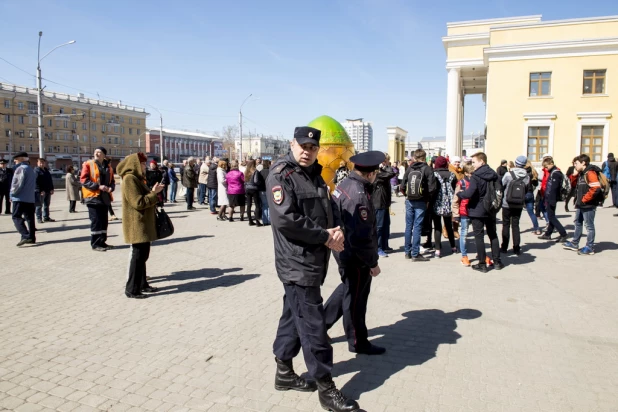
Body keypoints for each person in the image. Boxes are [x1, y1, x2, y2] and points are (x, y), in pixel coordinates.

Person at [267, 126, 359, 412]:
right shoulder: (281, 175)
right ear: (292, 144)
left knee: (293, 316)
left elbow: (329, 210)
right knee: (313, 326)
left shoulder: (315, 174)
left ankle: (284, 372)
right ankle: (326, 388)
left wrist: (338, 230)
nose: (307, 151)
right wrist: (325, 236)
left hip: (312, 261)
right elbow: (286, 219)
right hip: (296, 262)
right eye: (303, 146)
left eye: (312, 147)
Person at [325, 151, 385, 357]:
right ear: (371, 174)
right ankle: (358, 341)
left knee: (348, 289)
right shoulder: (358, 194)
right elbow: (361, 237)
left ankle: (321, 324)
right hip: (355, 256)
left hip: (344, 251)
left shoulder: (346, 184)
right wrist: (372, 263)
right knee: (357, 300)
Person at [117, 153, 164, 299]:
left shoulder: (136, 178)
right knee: (137, 257)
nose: (145, 166)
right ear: (135, 164)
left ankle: (142, 284)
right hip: (136, 224)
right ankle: (131, 289)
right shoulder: (130, 179)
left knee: (143, 256)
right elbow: (137, 202)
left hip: (143, 223)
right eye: (143, 164)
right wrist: (154, 194)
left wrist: (152, 192)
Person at [456, 152, 503, 273]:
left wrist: (460, 193)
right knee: (493, 234)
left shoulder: (476, 176)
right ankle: (497, 261)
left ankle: (482, 264)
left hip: (478, 209)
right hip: (491, 208)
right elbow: (499, 190)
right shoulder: (494, 174)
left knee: (479, 236)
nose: (473, 164)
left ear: (482, 161)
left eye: (474, 162)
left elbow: (470, 193)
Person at [563, 154, 603, 255]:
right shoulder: (582, 173)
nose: (574, 165)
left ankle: (589, 247)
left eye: (576, 163)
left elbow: (596, 188)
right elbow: (573, 185)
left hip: (588, 204)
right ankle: (575, 243)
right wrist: (575, 175)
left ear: (583, 163)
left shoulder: (590, 173)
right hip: (581, 204)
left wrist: (585, 199)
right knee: (578, 222)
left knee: (589, 226)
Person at [401, 149, 436, 262]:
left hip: (409, 200)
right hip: (421, 201)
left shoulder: (410, 168)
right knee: (417, 226)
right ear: (424, 158)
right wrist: (427, 199)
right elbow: (432, 188)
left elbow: (402, 185)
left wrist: (407, 194)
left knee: (408, 226)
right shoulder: (427, 169)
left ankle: (407, 252)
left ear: (414, 157)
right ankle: (415, 254)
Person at [81, 147, 116, 252]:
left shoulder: (108, 167)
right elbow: (84, 180)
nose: (96, 153)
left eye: (99, 152)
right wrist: (98, 186)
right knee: (96, 221)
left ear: (104, 155)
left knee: (104, 221)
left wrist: (111, 188)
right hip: (93, 197)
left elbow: (112, 181)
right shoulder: (88, 164)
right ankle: (95, 244)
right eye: (95, 151)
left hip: (104, 198)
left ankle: (102, 242)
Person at [501, 156, 530, 255]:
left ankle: (504, 247)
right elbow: (526, 189)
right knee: (516, 225)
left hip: (507, 203)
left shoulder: (508, 174)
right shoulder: (526, 176)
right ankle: (516, 248)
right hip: (519, 204)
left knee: (505, 224)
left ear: (516, 163)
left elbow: (502, 185)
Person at [538, 156, 568, 243]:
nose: (546, 169)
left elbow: (554, 189)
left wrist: (551, 200)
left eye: (546, 166)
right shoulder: (553, 172)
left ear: (551, 164)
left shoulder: (556, 173)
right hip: (549, 198)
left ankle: (563, 233)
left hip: (551, 199)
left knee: (551, 217)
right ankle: (548, 234)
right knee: (551, 216)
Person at [9, 152, 37, 247]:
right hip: (29, 198)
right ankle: (32, 238)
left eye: (16, 159)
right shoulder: (30, 169)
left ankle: (25, 235)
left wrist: (12, 194)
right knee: (30, 218)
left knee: (16, 216)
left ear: (21, 159)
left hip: (20, 198)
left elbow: (17, 184)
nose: (14, 161)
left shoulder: (20, 169)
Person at [432, 156, 457, 258]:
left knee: (437, 226)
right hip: (449, 204)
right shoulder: (452, 174)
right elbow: (455, 188)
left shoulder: (434, 174)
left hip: (437, 203)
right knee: (448, 226)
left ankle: (438, 250)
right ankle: (453, 247)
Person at [373, 155, 396, 257]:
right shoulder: (378, 173)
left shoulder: (382, 172)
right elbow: (391, 173)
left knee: (386, 225)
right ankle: (378, 248)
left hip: (384, 203)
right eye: (386, 160)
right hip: (379, 203)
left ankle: (384, 245)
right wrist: (386, 164)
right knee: (379, 226)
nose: (387, 162)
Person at [452, 163, 474, 266]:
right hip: (464, 211)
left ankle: (481, 254)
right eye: (471, 173)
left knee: (479, 234)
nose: (472, 175)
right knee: (464, 234)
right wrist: (456, 214)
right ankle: (464, 256)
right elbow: (456, 200)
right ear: (466, 173)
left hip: (476, 211)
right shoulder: (461, 183)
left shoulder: (477, 182)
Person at [34, 158, 55, 223]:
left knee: (47, 205)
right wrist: (40, 190)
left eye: (43, 162)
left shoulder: (46, 170)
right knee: (39, 205)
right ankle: (39, 218)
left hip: (48, 190)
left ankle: (46, 217)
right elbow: (35, 182)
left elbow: (50, 180)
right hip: (41, 191)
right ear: (37, 163)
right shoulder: (36, 171)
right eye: (40, 162)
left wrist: (52, 188)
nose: (41, 164)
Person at [523, 160, 541, 235]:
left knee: (516, 213)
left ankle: (515, 229)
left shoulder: (522, 171)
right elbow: (536, 183)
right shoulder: (533, 171)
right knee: (531, 213)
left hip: (522, 193)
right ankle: (537, 229)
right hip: (530, 193)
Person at [244, 159, 264, 226]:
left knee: (249, 205)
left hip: (247, 189)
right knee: (257, 205)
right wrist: (260, 183)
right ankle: (257, 221)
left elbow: (244, 180)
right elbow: (256, 181)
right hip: (254, 189)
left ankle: (250, 221)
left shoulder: (246, 171)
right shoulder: (255, 171)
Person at [260, 160, 271, 225]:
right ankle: (269, 220)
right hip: (269, 189)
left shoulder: (261, 172)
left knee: (264, 205)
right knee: (269, 205)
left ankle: (264, 220)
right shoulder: (270, 172)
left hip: (262, 190)